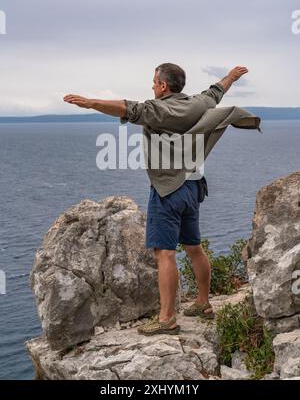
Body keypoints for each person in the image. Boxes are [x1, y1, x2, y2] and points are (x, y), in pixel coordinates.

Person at [64, 64, 260, 336]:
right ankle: (203, 303)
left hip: (168, 190)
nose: (152, 86)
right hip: (193, 188)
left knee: (164, 253)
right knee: (193, 247)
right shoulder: (198, 104)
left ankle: (167, 318)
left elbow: (125, 108)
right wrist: (233, 76)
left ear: (164, 86)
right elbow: (216, 91)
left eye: (154, 82)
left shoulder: (157, 110)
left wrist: (90, 102)